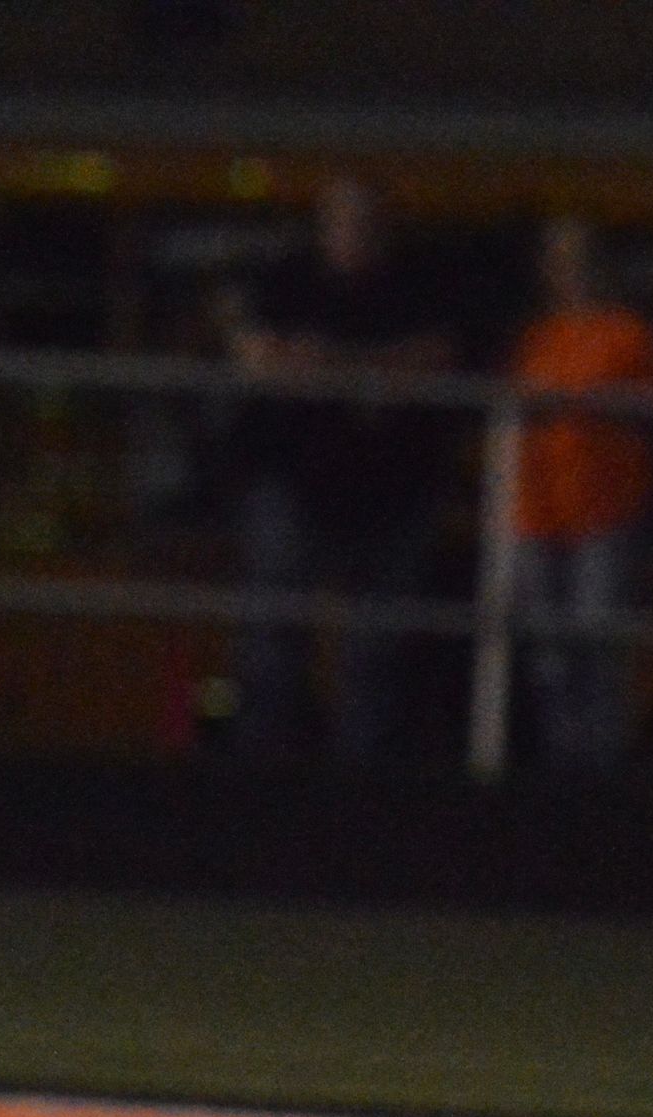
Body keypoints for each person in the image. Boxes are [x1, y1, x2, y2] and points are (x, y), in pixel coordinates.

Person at [225, 176, 453, 763]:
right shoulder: (286, 279)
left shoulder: (415, 284)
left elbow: (430, 362)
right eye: (344, 220)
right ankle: (265, 758)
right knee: (275, 628)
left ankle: (363, 770)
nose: (355, 233)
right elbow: (256, 360)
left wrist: (329, 365)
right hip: (292, 477)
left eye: (367, 222)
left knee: (377, 642)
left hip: (390, 486)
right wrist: (367, 374)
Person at [504, 217, 653, 772]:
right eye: (557, 257)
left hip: (603, 513)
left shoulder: (628, 335)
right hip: (535, 510)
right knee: (548, 652)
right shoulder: (538, 336)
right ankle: (560, 761)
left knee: (597, 643)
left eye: (577, 256)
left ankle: (601, 766)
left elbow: (644, 412)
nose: (566, 269)